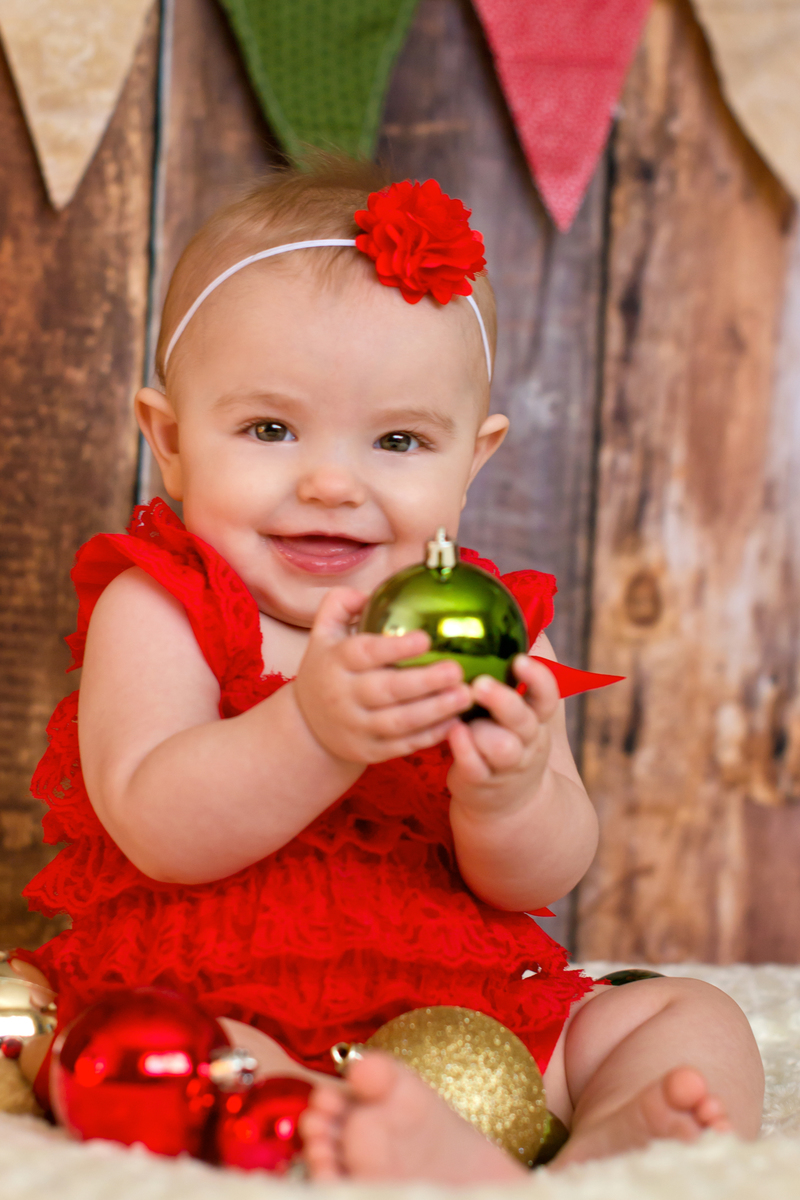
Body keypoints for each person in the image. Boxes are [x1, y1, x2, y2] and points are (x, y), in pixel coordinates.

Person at [11, 160, 763, 1180]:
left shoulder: (478, 629)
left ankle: (614, 1142)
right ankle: (351, 1127)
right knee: (182, 1057)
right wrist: (310, 732)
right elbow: (158, 825)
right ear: (171, 441)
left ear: (473, 461)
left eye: (399, 440)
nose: (332, 482)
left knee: (686, 1012)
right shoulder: (162, 609)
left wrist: (507, 795)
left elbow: (548, 871)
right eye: (270, 429)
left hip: (466, 1014)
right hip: (228, 990)